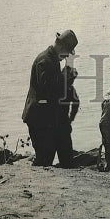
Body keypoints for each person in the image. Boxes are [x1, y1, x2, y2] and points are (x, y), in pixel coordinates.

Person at [21, 29, 79, 168]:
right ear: (60, 46)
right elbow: (48, 91)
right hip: (38, 118)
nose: (66, 58)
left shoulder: (52, 59)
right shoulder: (44, 61)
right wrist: (66, 75)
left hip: (45, 116)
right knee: (43, 159)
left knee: (54, 156)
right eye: (66, 54)